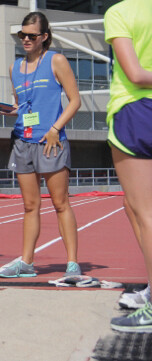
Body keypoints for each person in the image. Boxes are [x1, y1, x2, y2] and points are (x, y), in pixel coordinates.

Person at [0, 12, 81, 278]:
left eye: (31, 35)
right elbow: (22, 108)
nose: (25, 39)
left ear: (44, 37)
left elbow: (75, 101)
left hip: (50, 141)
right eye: (21, 35)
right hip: (23, 141)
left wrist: (54, 129)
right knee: (29, 206)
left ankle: (72, 263)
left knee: (60, 203)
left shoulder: (56, 60)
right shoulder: (15, 67)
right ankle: (26, 263)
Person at [104, 0, 152, 333]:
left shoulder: (120, 12)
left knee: (145, 212)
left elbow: (134, 73)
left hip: (136, 111)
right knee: (132, 208)